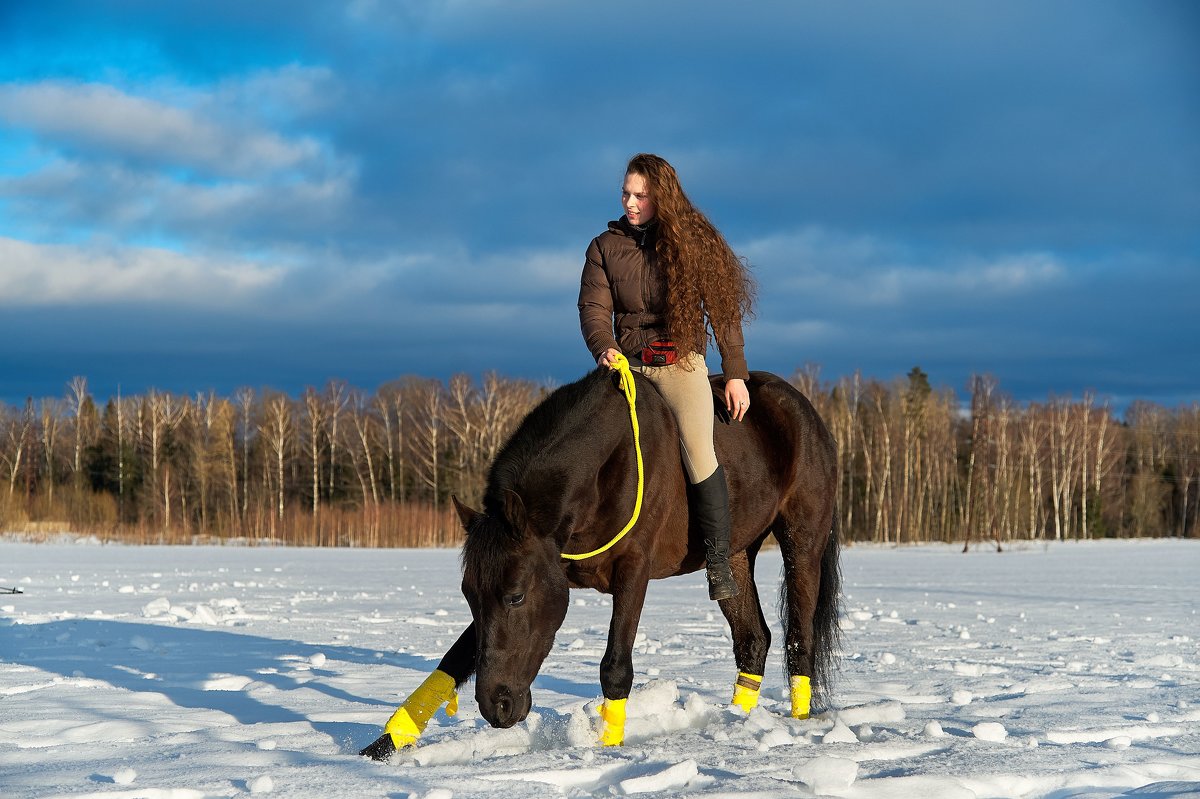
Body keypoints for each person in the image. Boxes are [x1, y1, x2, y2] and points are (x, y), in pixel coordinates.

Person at [578, 153, 755, 601]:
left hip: (680, 364)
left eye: (641, 195)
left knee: (698, 447)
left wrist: (735, 375)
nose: (631, 202)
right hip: (627, 366)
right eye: (626, 193)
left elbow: (724, 313)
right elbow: (594, 310)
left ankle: (718, 560)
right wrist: (606, 349)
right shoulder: (603, 247)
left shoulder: (692, 243)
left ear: (662, 197)